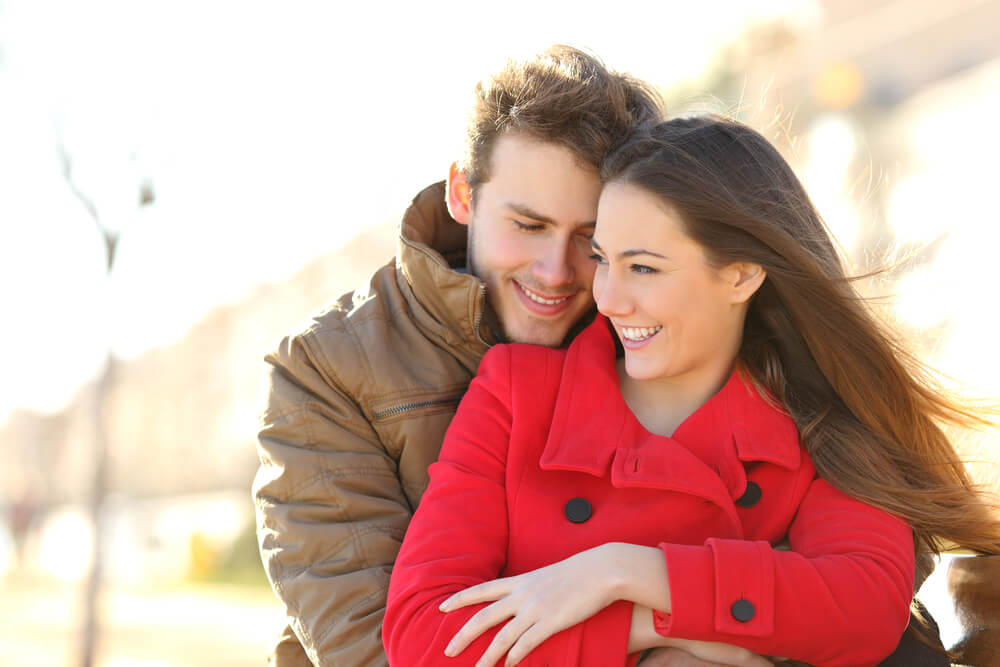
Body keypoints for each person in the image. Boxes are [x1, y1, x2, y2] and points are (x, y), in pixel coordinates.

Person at [383, 115, 1000, 666]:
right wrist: (654, 629)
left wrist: (626, 569)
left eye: (644, 267)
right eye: (603, 259)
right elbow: (422, 636)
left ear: (741, 273)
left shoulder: (820, 422)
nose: (608, 298)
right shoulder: (519, 393)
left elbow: (864, 608)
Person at [253, 45, 684, 666]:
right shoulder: (325, 368)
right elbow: (372, 651)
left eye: (590, 238)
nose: (556, 271)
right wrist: (651, 632)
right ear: (463, 192)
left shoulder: (655, 339)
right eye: (529, 226)